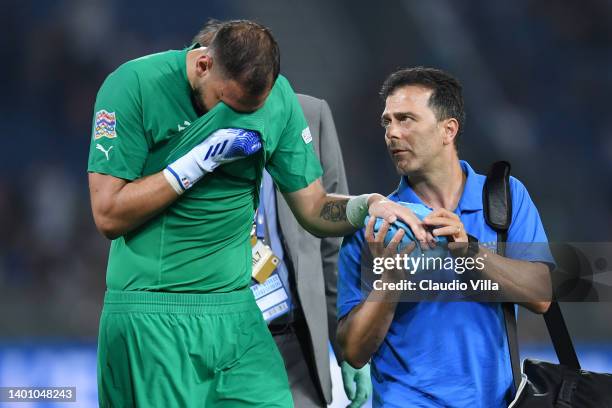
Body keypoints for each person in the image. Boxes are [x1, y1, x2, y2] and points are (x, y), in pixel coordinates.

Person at [88, 20, 419, 408]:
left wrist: (367, 205)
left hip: (237, 317)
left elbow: (313, 208)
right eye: (226, 104)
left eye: (249, 110)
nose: (235, 118)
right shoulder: (133, 86)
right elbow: (108, 215)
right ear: (203, 66)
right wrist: (193, 166)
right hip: (155, 316)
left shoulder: (277, 100)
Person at [336, 67, 554, 408]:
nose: (392, 133)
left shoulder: (503, 198)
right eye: (387, 122)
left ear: (447, 130)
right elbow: (353, 351)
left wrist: (470, 251)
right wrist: (392, 280)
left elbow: (541, 295)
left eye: (406, 119)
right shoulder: (376, 224)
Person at [257, 93, 371, 407]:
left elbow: (334, 248)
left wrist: (348, 345)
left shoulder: (310, 113)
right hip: (214, 341)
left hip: (294, 344)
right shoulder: (181, 120)